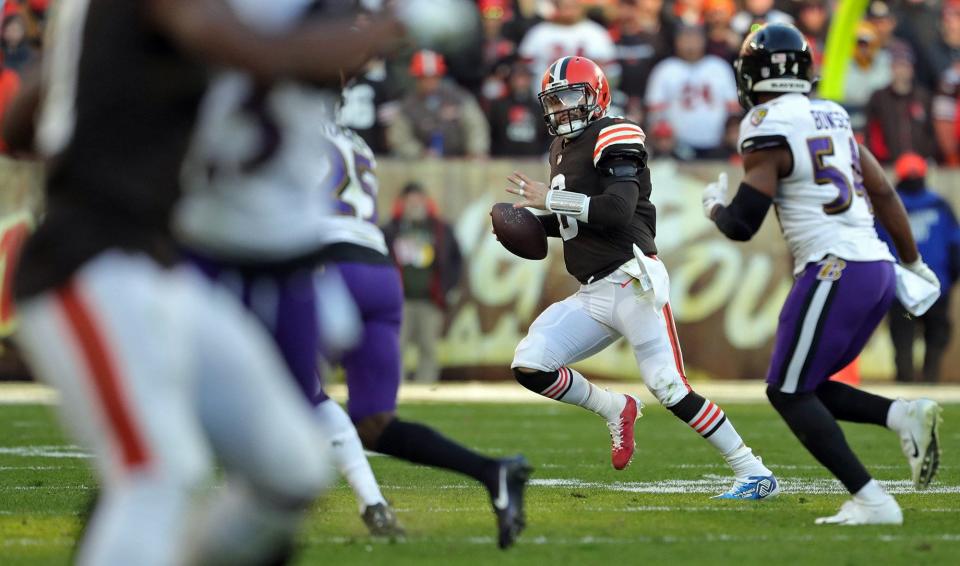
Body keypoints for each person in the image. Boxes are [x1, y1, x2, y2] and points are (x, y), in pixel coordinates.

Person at [2, 0, 408, 562]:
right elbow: (250, 50)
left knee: (291, 468)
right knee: (155, 473)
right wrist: (390, 29)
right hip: (90, 261)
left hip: (158, 269)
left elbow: (22, 123)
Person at [503, 55, 778, 499]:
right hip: (592, 290)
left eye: (571, 96)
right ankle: (615, 408)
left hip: (633, 282)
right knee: (531, 363)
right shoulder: (560, 150)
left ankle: (753, 471)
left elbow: (616, 211)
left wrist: (550, 204)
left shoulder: (615, 133)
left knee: (669, 387)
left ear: (597, 95)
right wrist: (533, 226)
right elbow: (578, 221)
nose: (562, 110)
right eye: (554, 102)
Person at [703, 24, 943, 525]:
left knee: (786, 391)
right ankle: (901, 415)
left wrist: (715, 209)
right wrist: (913, 262)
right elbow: (883, 192)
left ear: (754, 74)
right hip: (876, 268)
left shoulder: (763, 122)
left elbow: (744, 222)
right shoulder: (832, 114)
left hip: (834, 267)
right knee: (804, 382)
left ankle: (872, 499)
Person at [316, 125, 531, 550]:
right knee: (374, 425)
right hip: (378, 272)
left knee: (288, 386)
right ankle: (493, 473)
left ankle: (371, 504)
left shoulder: (276, 117)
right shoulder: (355, 140)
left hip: (325, 263)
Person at [878, 153, 960, 383]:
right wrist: (952, 277)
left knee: (903, 337)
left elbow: (876, 245)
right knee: (936, 336)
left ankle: (905, 383)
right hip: (935, 290)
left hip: (902, 294)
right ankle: (930, 379)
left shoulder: (888, 209)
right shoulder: (939, 206)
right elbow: (955, 244)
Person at [382, 182, 463, 384]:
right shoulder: (391, 229)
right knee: (396, 347)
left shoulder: (441, 229)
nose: (415, 204)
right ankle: (396, 386)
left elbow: (456, 261)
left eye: (418, 199)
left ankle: (425, 388)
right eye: (410, 200)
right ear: (403, 203)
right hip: (400, 300)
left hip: (431, 300)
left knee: (429, 347)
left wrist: (448, 289)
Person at [645, 24, 740, 159]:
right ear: (676, 41)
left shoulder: (720, 67)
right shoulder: (664, 69)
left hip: (717, 145)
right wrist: (662, 137)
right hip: (678, 147)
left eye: (695, 38)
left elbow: (733, 111)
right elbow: (655, 114)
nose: (690, 43)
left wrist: (732, 134)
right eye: (685, 38)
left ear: (704, 40)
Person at [386, 49, 490, 159]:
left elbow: (476, 125)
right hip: (423, 163)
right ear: (416, 79)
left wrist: (476, 150)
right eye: (424, 78)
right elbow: (399, 138)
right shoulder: (408, 104)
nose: (429, 82)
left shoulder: (457, 97)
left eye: (434, 77)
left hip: (460, 159)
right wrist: (419, 152)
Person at [865, 46, 935, 163]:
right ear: (891, 68)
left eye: (905, 65)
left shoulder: (924, 97)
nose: (902, 70)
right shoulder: (879, 98)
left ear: (912, 69)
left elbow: (931, 132)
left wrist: (924, 156)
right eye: (898, 65)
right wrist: (881, 157)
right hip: (889, 164)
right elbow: (871, 131)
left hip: (920, 163)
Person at [486, 58, 552, 157]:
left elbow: (546, 136)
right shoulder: (498, 106)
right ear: (510, 80)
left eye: (525, 78)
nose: (521, 82)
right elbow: (491, 133)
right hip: (503, 161)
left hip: (533, 162)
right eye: (517, 78)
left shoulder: (539, 108)